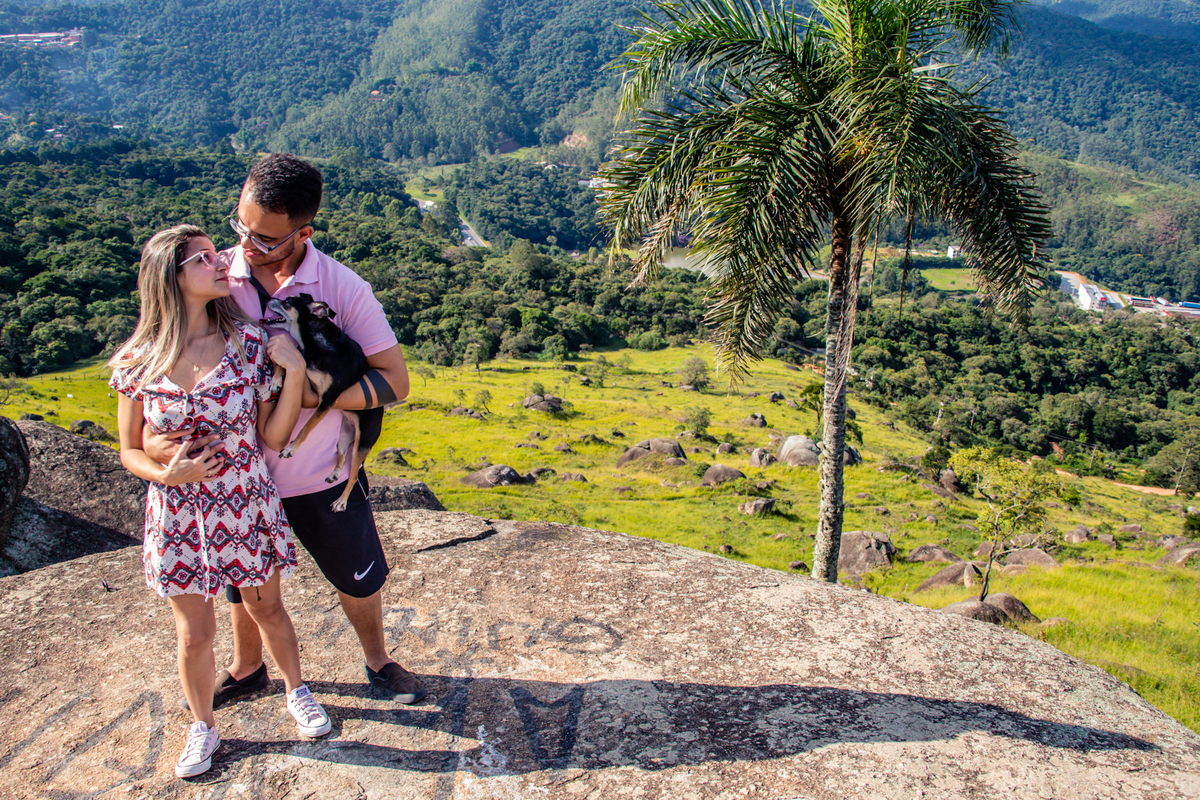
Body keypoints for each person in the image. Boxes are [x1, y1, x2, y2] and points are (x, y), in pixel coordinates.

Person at [143, 154, 427, 711]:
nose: (245, 246)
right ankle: (248, 668)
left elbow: (394, 382)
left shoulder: (342, 288)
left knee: (356, 575)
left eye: (265, 239)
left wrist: (311, 394)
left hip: (319, 473)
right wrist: (154, 443)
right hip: (233, 477)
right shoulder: (217, 276)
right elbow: (167, 361)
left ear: (304, 233)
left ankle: (378, 660)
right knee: (242, 581)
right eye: (240, 226)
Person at [110, 225, 332, 779]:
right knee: (195, 634)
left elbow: (272, 436)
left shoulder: (247, 343)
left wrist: (294, 370)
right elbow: (129, 449)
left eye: (215, 254)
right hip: (178, 513)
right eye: (203, 258)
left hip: (243, 500)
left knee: (266, 608)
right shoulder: (137, 361)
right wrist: (168, 472)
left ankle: (297, 691)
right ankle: (203, 725)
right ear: (171, 276)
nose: (219, 264)